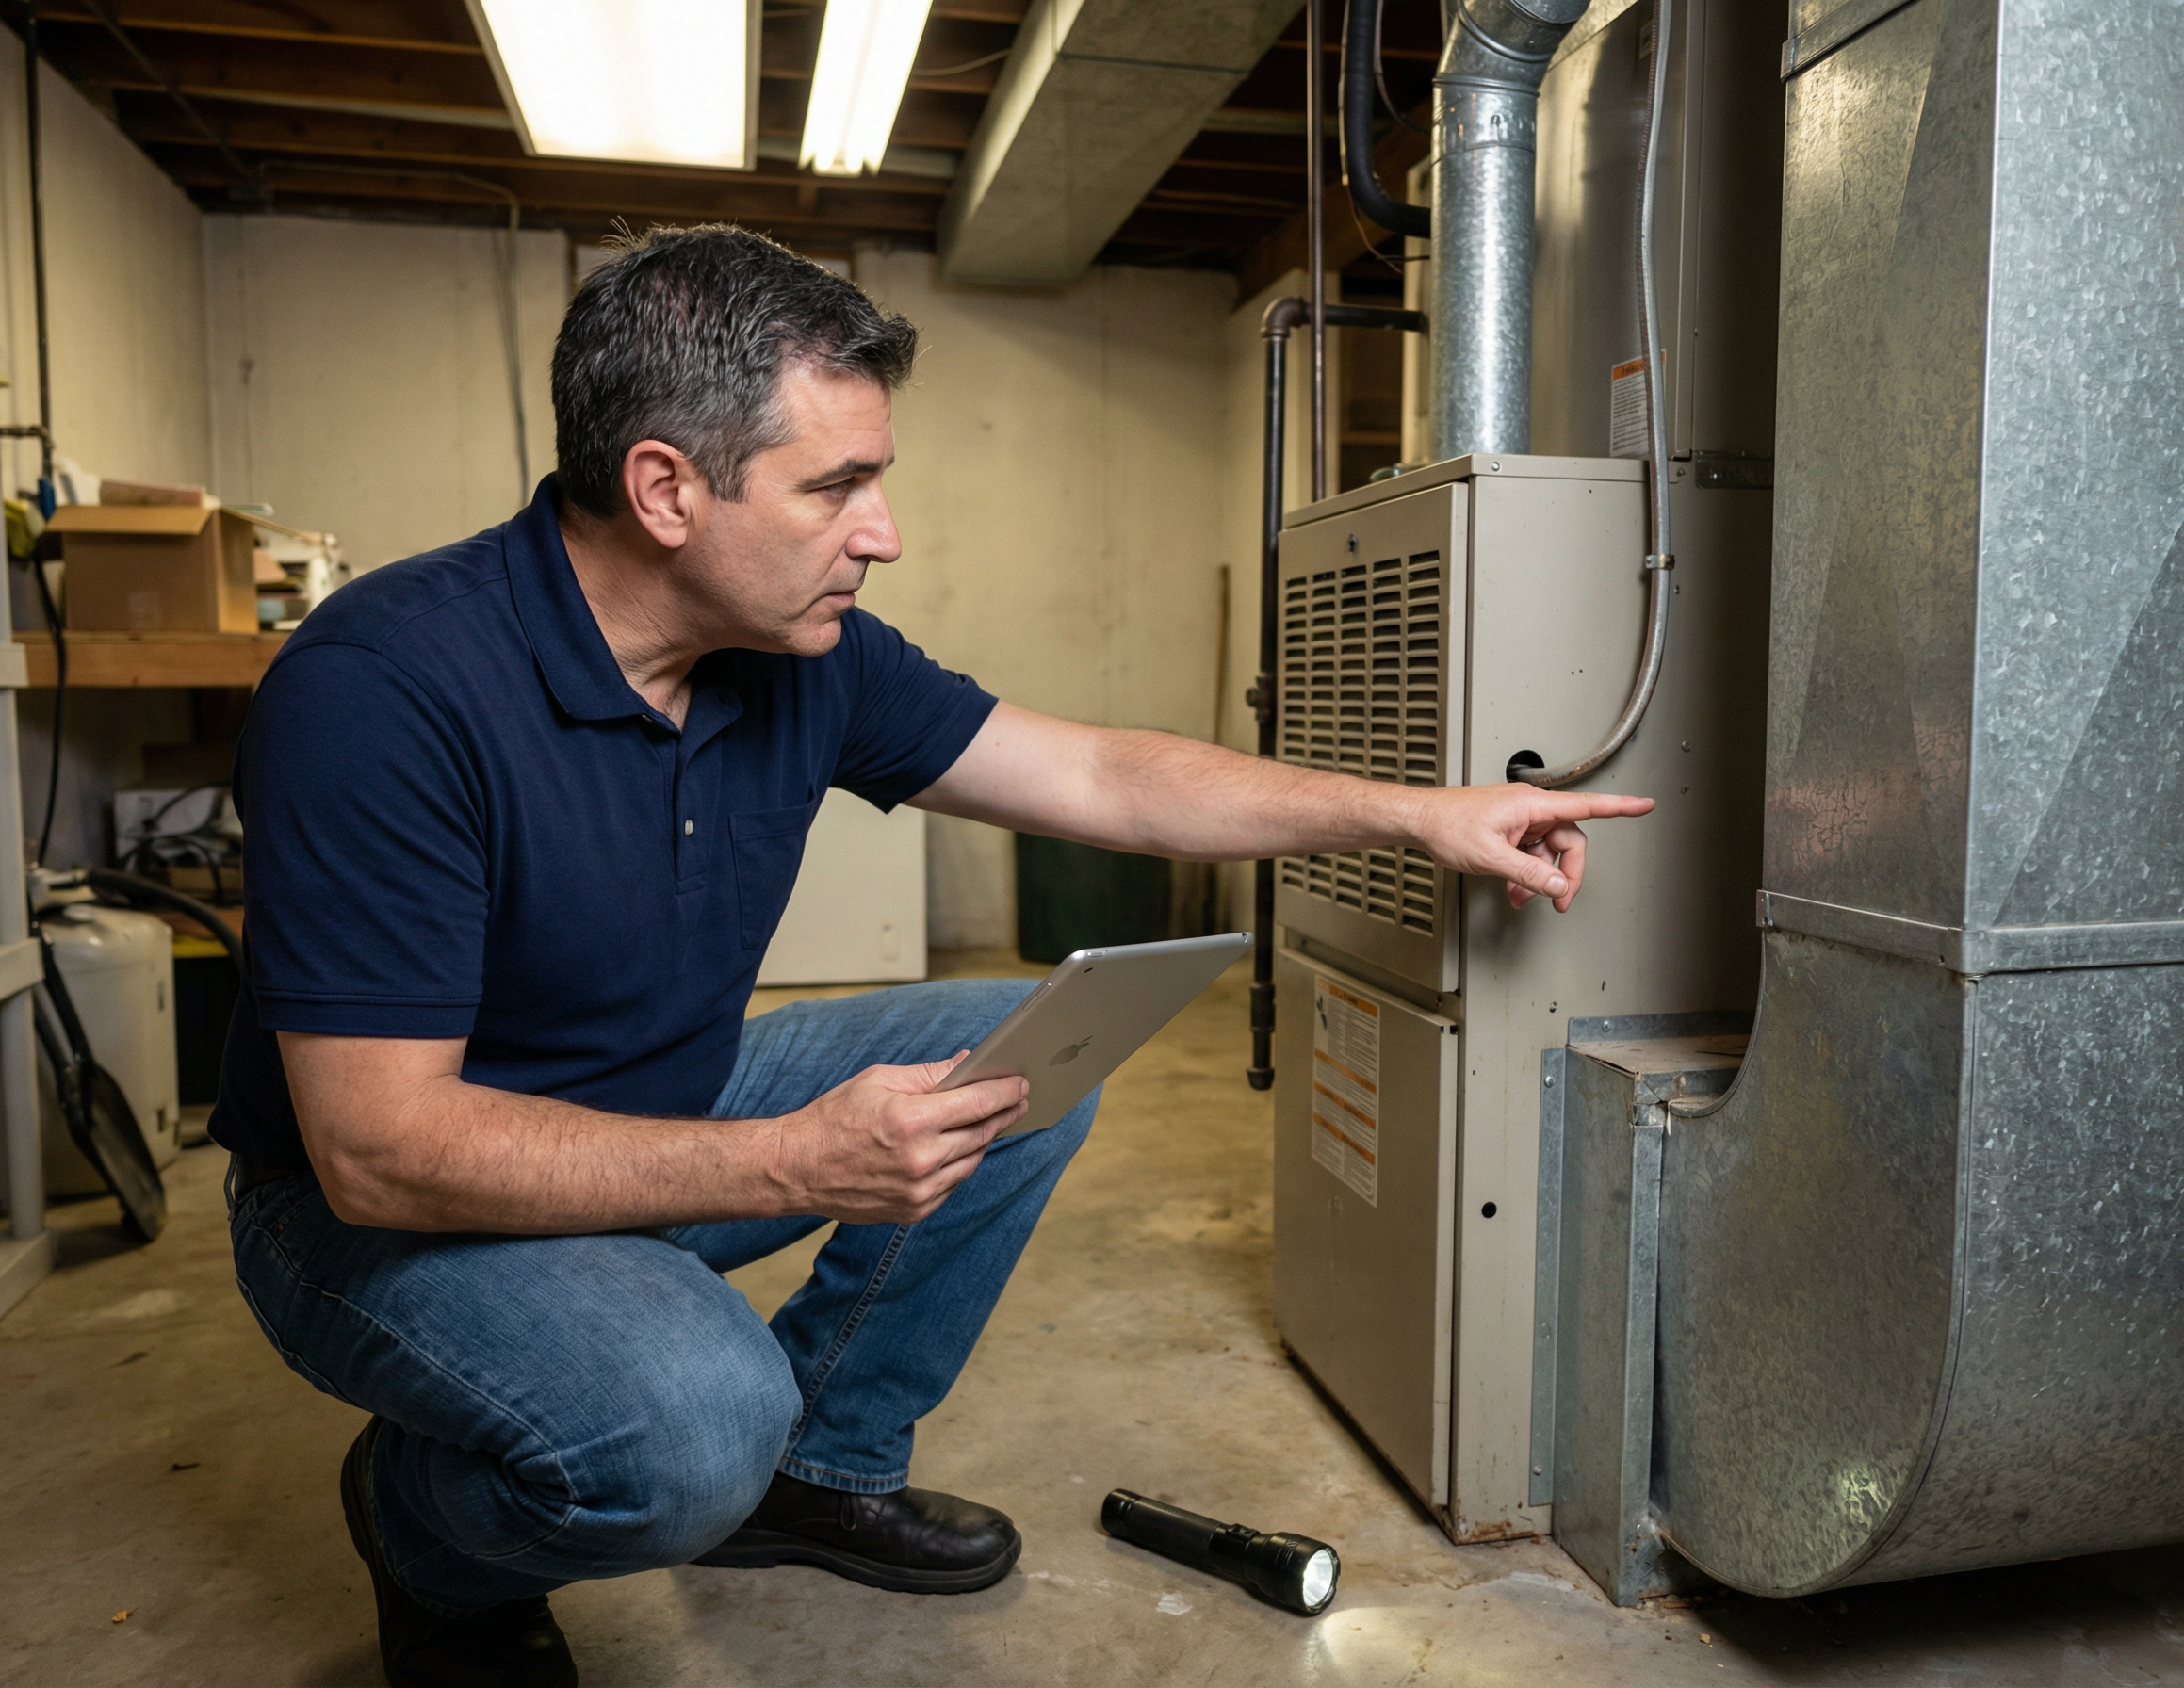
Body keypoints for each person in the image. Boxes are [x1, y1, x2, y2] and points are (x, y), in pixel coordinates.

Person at [213, 224, 1654, 1688]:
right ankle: (425, 1536)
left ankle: (820, 1469)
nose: (883, 532)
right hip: (372, 1214)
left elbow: (1101, 778)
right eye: (835, 485)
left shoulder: (804, 654)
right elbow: (378, 1153)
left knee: (1020, 1059)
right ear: (665, 489)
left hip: (659, 1101)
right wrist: (794, 1163)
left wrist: (1417, 813)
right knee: (694, 1428)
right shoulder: (384, 692)